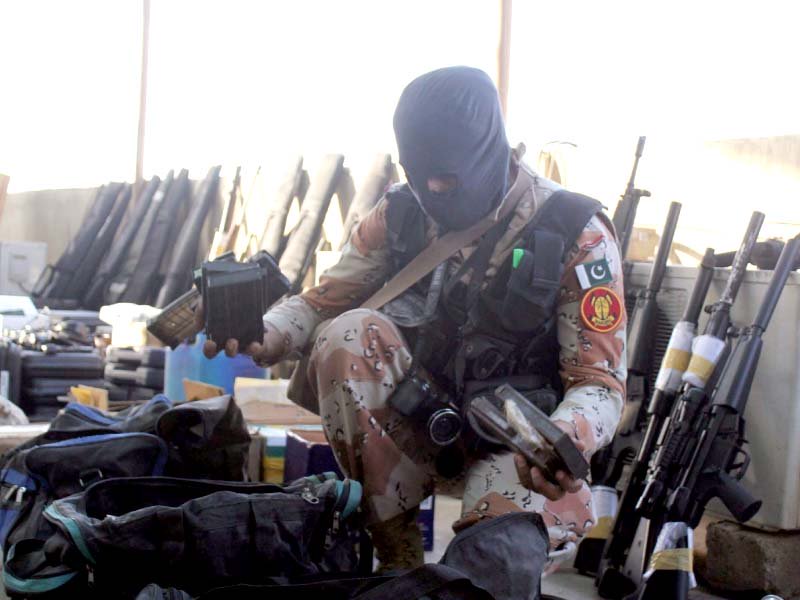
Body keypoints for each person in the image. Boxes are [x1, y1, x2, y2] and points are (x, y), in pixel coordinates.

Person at [205, 66, 627, 572]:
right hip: (419, 423)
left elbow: (600, 386)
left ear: (489, 151)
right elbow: (323, 301)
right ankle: (396, 556)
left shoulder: (574, 231)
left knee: (492, 568)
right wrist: (267, 334)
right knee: (347, 332)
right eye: (417, 173)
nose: (431, 188)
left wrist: (563, 441)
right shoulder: (401, 211)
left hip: (517, 449)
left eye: (447, 178)